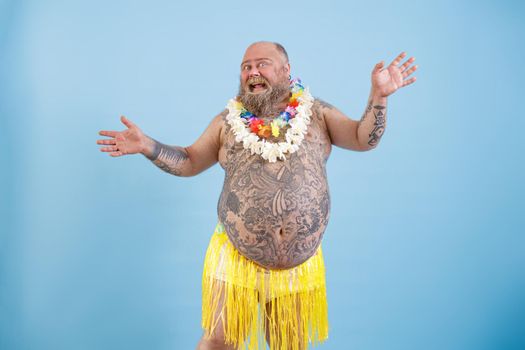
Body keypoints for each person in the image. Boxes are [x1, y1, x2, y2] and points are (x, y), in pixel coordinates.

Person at [96, 41, 417, 350]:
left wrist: (379, 97)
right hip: (236, 257)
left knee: (289, 345)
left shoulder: (318, 113)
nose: (251, 72)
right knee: (219, 343)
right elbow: (191, 160)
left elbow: (364, 139)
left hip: (297, 266)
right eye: (245, 67)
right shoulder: (227, 123)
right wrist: (148, 146)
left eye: (261, 64)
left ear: (286, 70)